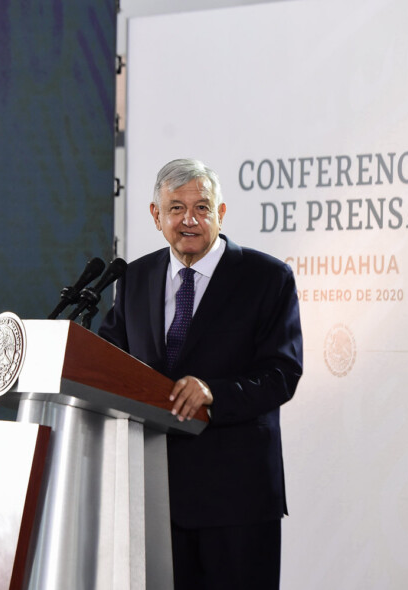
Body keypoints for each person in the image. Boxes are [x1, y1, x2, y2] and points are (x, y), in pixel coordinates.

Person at [98, 158, 303, 589]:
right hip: (151, 498)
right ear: (156, 216)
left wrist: (214, 392)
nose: (189, 219)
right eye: (175, 208)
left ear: (221, 213)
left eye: (202, 207)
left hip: (237, 500)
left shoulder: (267, 278)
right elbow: (109, 359)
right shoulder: (134, 278)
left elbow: (282, 373)